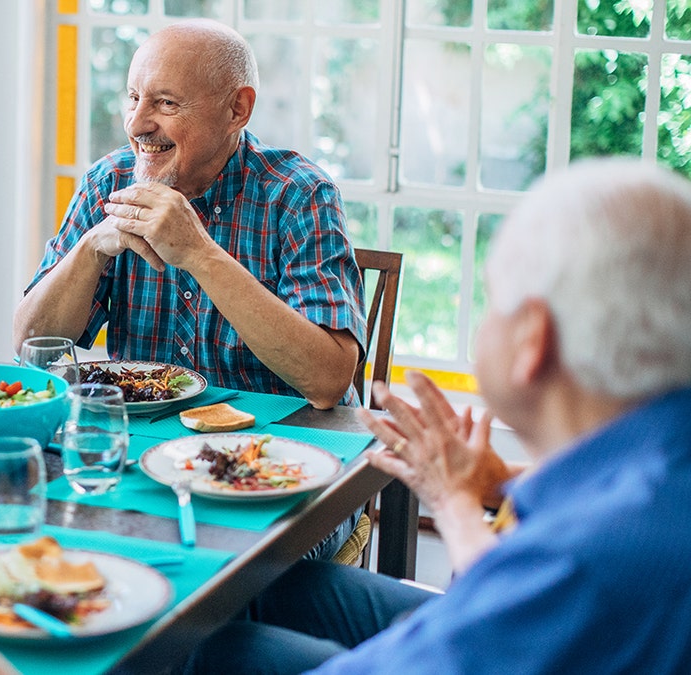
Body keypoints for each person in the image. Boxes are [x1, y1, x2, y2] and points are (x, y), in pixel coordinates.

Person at [180, 158, 691, 673]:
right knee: (275, 592)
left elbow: (511, 608)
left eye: (492, 301)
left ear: (532, 340)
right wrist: (500, 485)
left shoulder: (584, 560)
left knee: (201, 650)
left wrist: (453, 502)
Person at [13, 19, 366, 412]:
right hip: (146, 437)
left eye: (166, 103)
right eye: (133, 97)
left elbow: (328, 381)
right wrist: (94, 245)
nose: (136, 124)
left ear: (237, 109)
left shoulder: (299, 194)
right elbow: (32, 348)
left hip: (282, 449)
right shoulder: (108, 182)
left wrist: (199, 253)